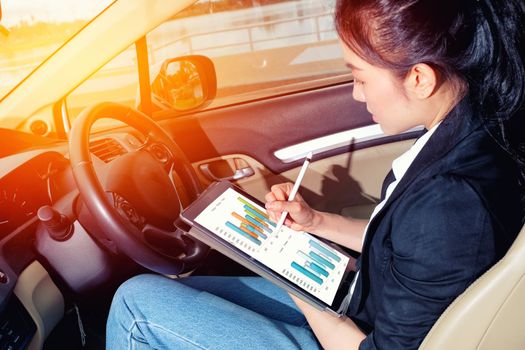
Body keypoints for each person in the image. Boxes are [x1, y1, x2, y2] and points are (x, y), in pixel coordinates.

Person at [106, 0, 525, 348]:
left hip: (355, 335)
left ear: (418, 78)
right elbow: (407, 244)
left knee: (136, 306)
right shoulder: (474, 134)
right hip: (361, 302)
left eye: (359, 77)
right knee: (176, 293)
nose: (356, 94)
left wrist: (289, 279)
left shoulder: (450, 202)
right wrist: (315, 223)